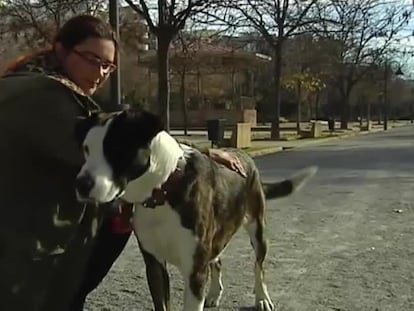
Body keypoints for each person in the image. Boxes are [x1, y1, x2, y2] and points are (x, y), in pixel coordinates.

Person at [0, 14, 245, 311]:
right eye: (92, 59)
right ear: (62, 49)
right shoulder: (47, 98)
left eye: (108, 65)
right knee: (117, 209)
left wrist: (199, 152)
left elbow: (118, 141)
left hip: (24, 225)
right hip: (24, 242)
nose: (101, 72)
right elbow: (113, 147)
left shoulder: (31, 82)